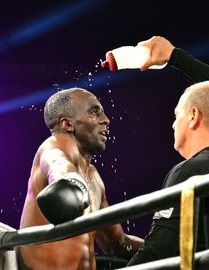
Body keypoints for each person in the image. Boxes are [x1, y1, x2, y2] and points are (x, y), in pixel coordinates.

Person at [127, 36, 209, 266]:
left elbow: (155, 257)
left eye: (177, 115)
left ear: (194, 116)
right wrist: (174, 56)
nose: (173, 125)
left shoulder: (190, 172)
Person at [18, 88, 143, 270]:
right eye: (94, 112)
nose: (106, 120)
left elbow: (117, 244)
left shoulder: (93, 177)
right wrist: (70, 181)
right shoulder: (51, 147)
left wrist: (168, 248)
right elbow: (58, 166)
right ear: (67, 124)